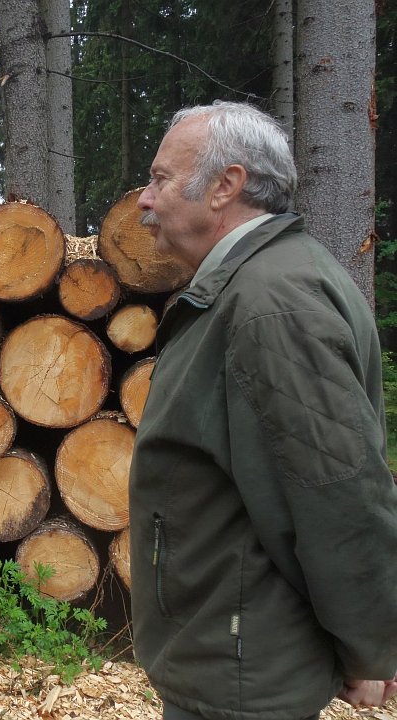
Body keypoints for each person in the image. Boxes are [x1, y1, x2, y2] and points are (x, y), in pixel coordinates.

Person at [129, 100, 397, 720]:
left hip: (241, 674)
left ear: (225, 185)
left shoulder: (271, 304)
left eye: (161, 178)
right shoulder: (254, 286)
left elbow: (338, 495)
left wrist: (370, 649)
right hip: (229, 653)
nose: (144, 198)